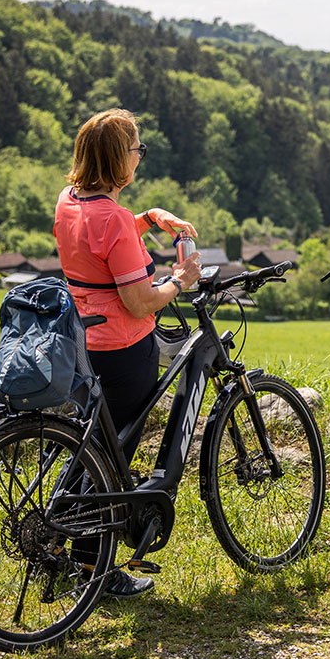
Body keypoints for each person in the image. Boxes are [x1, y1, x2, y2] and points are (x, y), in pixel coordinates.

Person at [54, 108, 202, 598]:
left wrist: (151, 217)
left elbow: (102, 240)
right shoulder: (113, 219)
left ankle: (64, 552)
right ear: (121, 158)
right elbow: (139, 300)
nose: (140, 155)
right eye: (137, 148)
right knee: (111, 463)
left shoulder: (69, 203)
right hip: (124, 350)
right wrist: (177, 283)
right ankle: (94, 572)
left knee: (89, 452)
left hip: (82, 345)